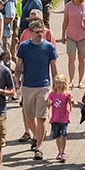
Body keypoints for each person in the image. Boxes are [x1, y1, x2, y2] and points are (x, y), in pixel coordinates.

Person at [15, 19, 59, 161]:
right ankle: (36, 136)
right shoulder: (24, 47)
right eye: (37, 32)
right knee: (29, 117)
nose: (40, 34)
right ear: (30, 33)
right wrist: (16, 82)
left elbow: (53, 67)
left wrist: (57, 85)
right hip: (27, 85)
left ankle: (39, 147)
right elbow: (19, 66)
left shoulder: (49, 47)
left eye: (42, 32)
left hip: (43, 86)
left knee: (41, 117)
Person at [61, 0, 85, 84]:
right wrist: (63, 35)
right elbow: (65, 21)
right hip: (71, 35)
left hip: (83, 35)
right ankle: (71, 81)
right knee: (71, 58)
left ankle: (80, 81)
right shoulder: (68, 6)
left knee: (81, 59)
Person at [47, 74, 76, 162]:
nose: (58, 85)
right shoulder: (52, 94)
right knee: (57, 136)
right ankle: (59, 151)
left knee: (63, 135)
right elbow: (48, 105)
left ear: (64, 84)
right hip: (55, 118)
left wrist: (72, 102)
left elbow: (72, 103)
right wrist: (48, 104)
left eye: (60, 83)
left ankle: (63, 152)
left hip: (64, 118)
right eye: (56, 83)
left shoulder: (67, 94)